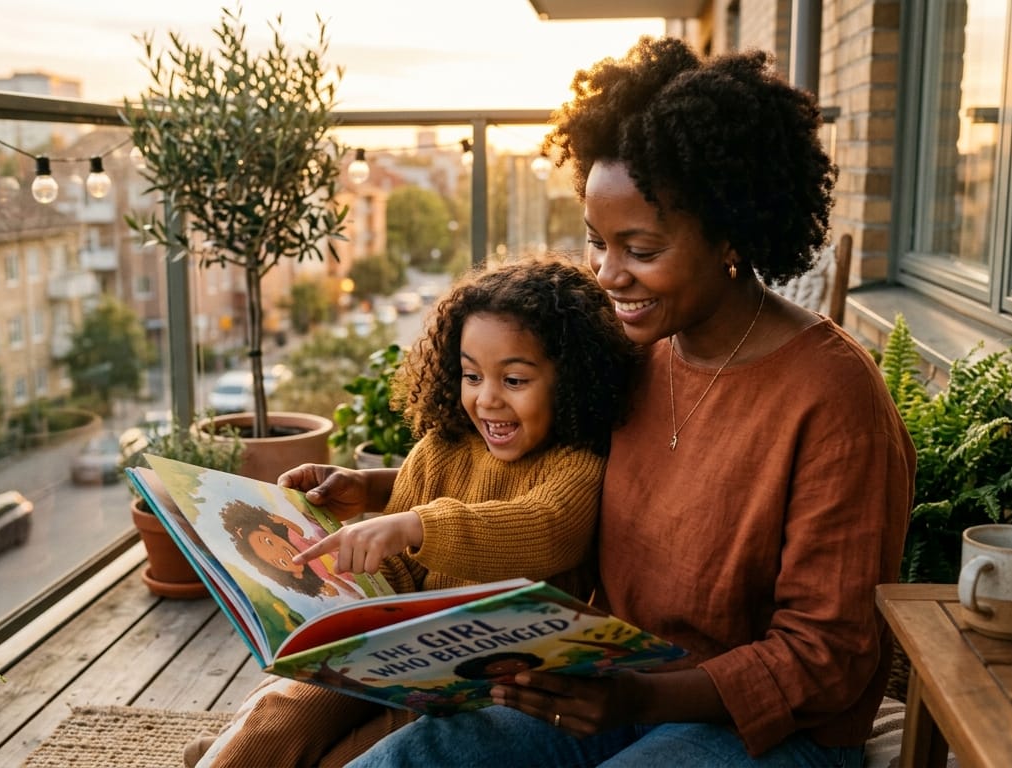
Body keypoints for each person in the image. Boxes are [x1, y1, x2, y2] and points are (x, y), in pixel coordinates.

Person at [340, 39, 917, 768]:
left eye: (640, 249)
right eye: (596, 242)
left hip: (759, 725)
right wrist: (373, 491)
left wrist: (643, 700)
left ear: (731, 237)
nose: (608, 275)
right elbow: (532, 468)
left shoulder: (834, 399)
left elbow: (828, 656)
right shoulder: (630, 351)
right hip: (611, 680)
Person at [186, 256, 640, 768]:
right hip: (390, 648)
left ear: (573, 378)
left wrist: (417, 524)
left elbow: (545, 529)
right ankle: (229, 754)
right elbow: (399, 569)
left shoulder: (576, 464)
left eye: (514, 380)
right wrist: (343, 589)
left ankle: (226, 751)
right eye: (471, 375)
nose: (487, 399)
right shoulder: (442, 448)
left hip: (479, 682)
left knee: (366, 756)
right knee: (288, 709)